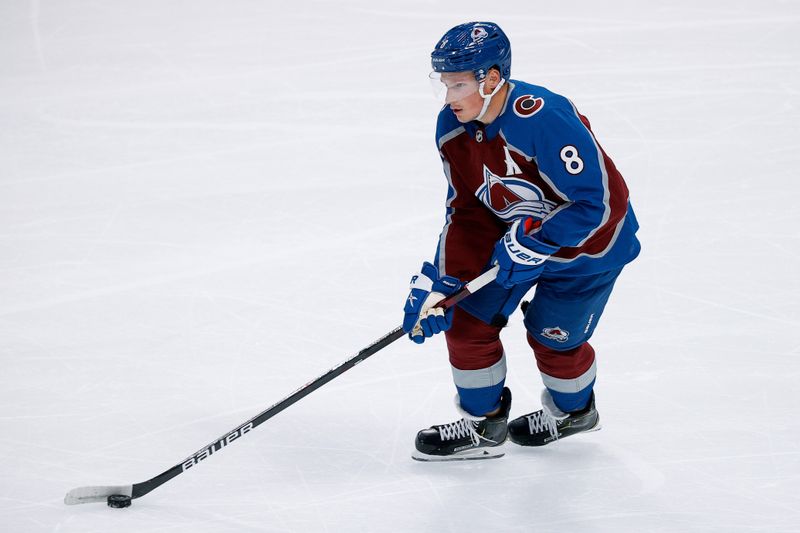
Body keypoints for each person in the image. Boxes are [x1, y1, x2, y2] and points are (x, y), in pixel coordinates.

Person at [402, 21, 641, 461]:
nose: (448, 98)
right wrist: (447, 280)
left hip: (588, 250)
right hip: (508, 241)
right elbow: (468, 210)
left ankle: (574, 412)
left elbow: (601, 202)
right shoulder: (453, 128)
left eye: (457, 85)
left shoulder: (543, 118)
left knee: (553, 337)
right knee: (465, 319)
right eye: (444, 85)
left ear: (491, 79)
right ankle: (483, 425)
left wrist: (540, 242)